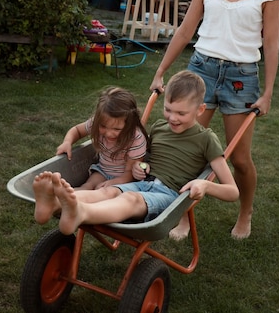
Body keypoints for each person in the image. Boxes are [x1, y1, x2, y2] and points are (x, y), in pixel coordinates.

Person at [150, 0, 279, 240]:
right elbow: (185, 30)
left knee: (238, 158)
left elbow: (271, 43)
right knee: (189, 148)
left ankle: (245, 211)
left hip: (241, 77)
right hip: (202, 71)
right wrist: (160, 71)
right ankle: (182, 215)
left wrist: (267, 93)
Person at [34, 70, 239, 235]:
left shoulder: (206, 139)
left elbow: (232, 191)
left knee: (130, 199)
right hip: (144, 183)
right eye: (168, 109)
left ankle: (79, 213)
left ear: (200, 110)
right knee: (108, 192)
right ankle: (55, 205)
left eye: (181, 113)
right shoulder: (159, 127)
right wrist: (142, 167)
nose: (173, 118)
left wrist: (204, 184)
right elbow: (146, 159)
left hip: (169, 194)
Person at [56, 87, 147, 190]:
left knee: (103, 193)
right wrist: (67, 142)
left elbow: (129, 173)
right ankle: (62, 197)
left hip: (124, 179)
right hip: (102, 171)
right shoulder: (97, 122)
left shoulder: (135, 139)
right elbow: (77, 130)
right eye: (103, 126)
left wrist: (113, 182)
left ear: (129, 125)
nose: (108, 133)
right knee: (87, 186)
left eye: (117, 129)